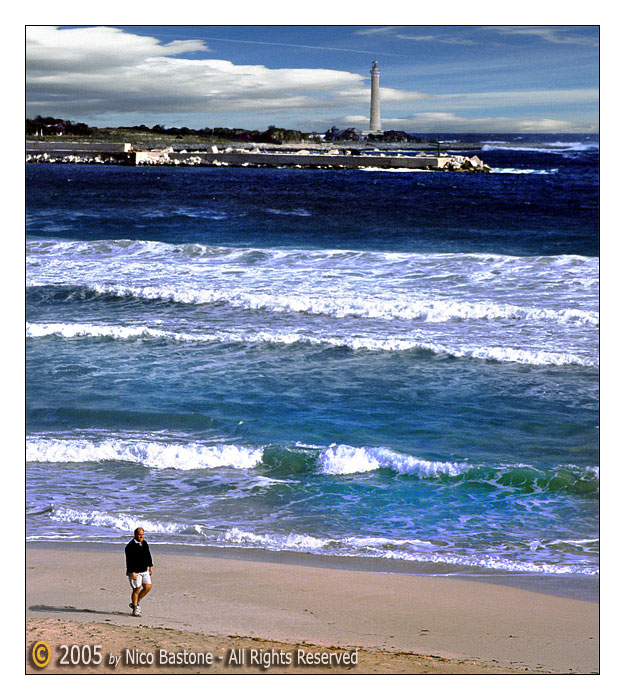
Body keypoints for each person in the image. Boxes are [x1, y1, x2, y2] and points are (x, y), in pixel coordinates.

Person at [125, 527, 153, 617]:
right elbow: (129, 560)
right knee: (136, 589)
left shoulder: (144, 543)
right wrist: (132, 572)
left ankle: (135, 602)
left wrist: (150, 566)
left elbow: (148, 555)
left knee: (147, 587)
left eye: (142, 534)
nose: (141, 536)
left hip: (144, 570)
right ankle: (135, 608)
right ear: (135, 535)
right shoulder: (130, 546)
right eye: (139, 534)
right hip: (135, 571)